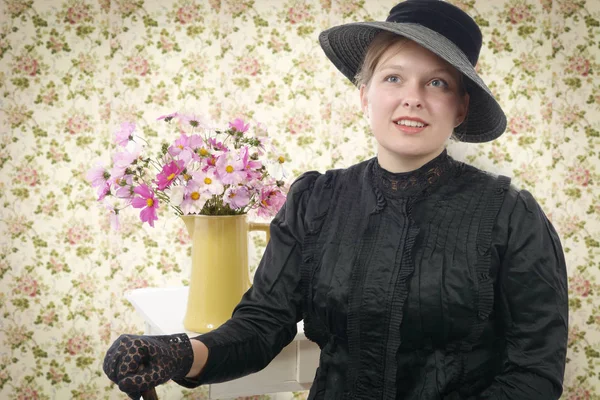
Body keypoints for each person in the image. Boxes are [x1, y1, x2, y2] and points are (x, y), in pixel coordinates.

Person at [102, 1, 569, 399]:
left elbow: (533, 375)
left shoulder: (511, 214)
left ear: (461, 108)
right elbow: (263, 324)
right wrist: (181, 352)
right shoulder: (315, 200)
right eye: (393, 78)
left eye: (438, 83)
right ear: (364, 94)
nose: (412, 98)